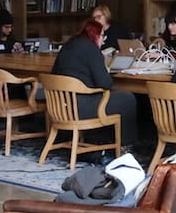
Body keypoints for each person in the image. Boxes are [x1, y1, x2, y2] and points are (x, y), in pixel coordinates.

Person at [51, 18, 138, 147]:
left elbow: (54, 73)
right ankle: (126, 145)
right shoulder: (92, 49)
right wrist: (105, 70)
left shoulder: (67, 46)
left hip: (61, 106)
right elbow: (106, 84)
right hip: (81, 108)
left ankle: (99, 138)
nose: (103, 40)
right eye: (102, 36)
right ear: (95, 35)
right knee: (128, 98)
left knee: (113, 97)